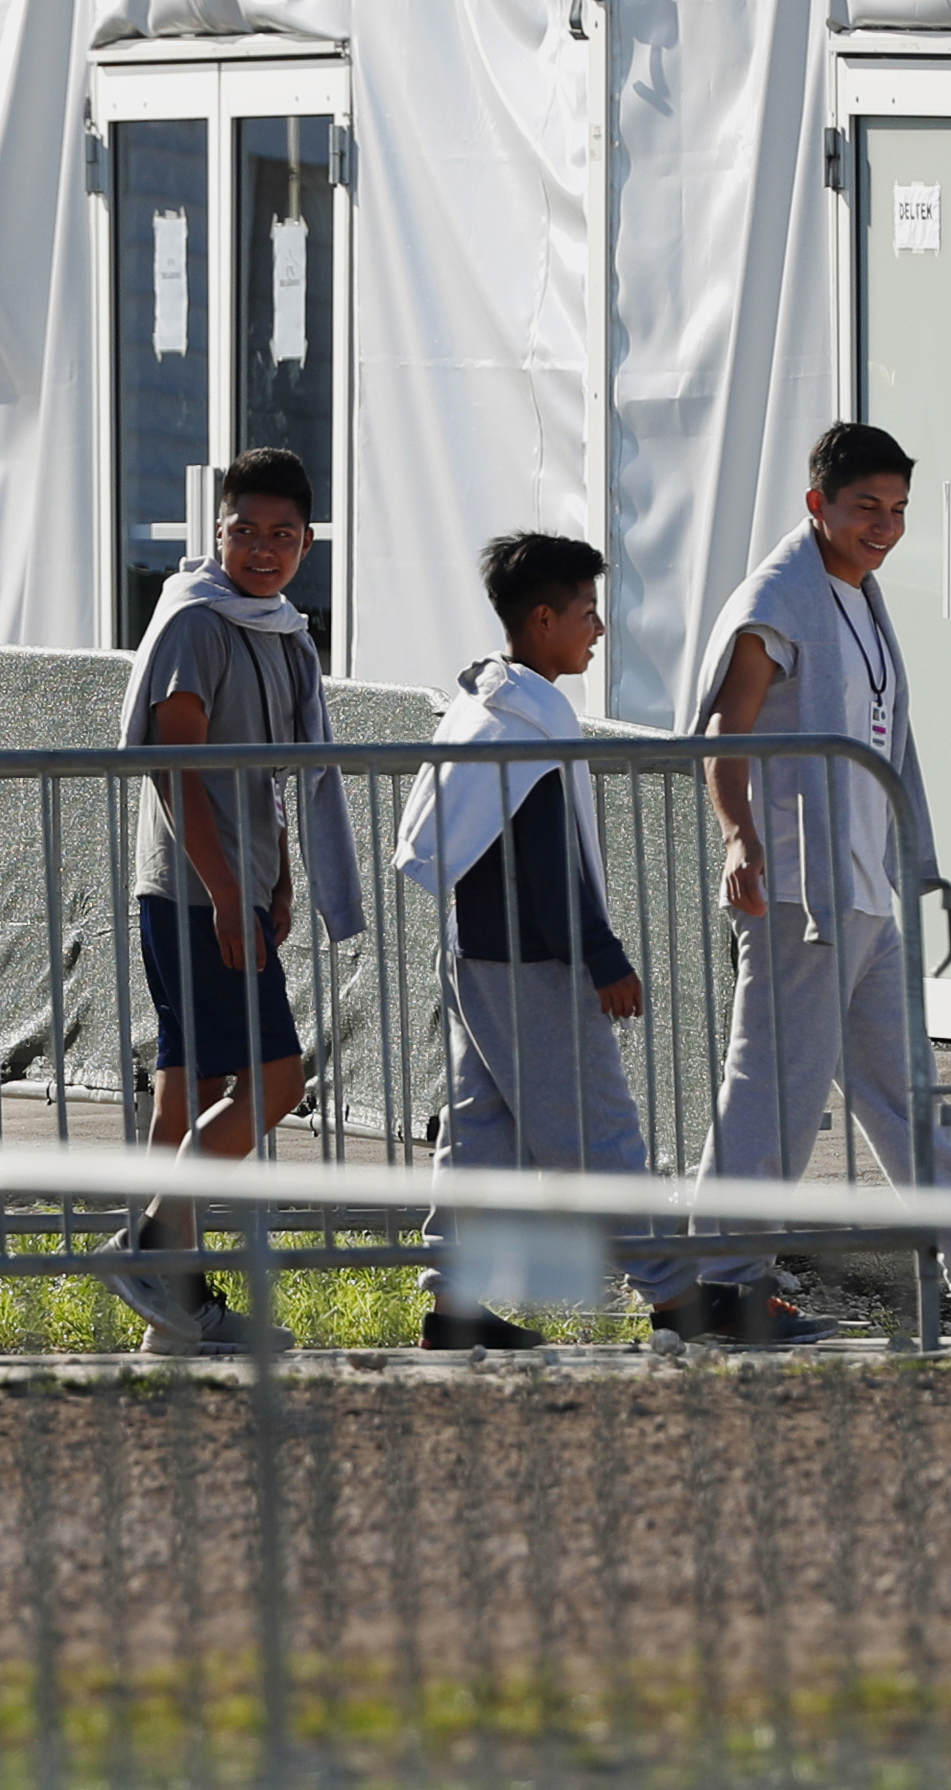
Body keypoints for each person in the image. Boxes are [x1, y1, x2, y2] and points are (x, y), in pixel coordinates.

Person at [689, 424, 951, 1341]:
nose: (884, 526)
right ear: (816, 503)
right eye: (866, 507)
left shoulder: (857, 593)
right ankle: (717, 1284)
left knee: (904, 1091)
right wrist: (739, 837)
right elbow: (721, 733)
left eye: (897, 510)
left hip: (861, 889)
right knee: (773, 1092)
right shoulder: (777, 596)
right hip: (798, 892)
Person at [395, 533, 713, 1350]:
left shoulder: (484, 706)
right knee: (599, 1131)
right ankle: (676, 1299)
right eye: (585, 612)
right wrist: (602, 957)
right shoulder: (525, 719)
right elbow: (548, 862)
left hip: (480, 954)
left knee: (480, 1135)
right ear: (542, 619)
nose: (597, 628)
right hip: (532, 962)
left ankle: (453, 1309)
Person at [87, 449, 367, 1356]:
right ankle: (151, 1253)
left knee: (189, 1095)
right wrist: (221, 888)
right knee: (277, 1081)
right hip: (191, 892)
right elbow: (176, 763)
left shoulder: (283, 628)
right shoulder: (198, 620)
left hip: (232, 886)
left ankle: (170, 1327)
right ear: (216, 532)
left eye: (281, 534)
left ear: (307, 543)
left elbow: (267, 772)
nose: (261, 548)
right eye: (243, 530)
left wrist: (279, 870)